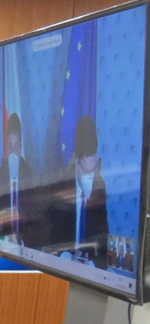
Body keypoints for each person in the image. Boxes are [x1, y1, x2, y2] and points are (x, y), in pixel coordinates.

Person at [41, 115, 109, 268]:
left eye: (94, 169)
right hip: (63, 267)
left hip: (88, 270)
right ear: (77, 164)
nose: (91, 176)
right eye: (87, 171)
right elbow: (50, 240)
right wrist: (68, 259)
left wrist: (92, 262)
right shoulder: (61, 188)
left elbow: (103, 239)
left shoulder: (99, 186)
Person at [0, 113, 36, 245]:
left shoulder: (29, 174)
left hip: (24, 241)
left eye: (16, 146)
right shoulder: (2, 172)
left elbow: (33, 216)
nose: (13, 150)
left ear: (21, 147)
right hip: (6, 240)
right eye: (10, 146)